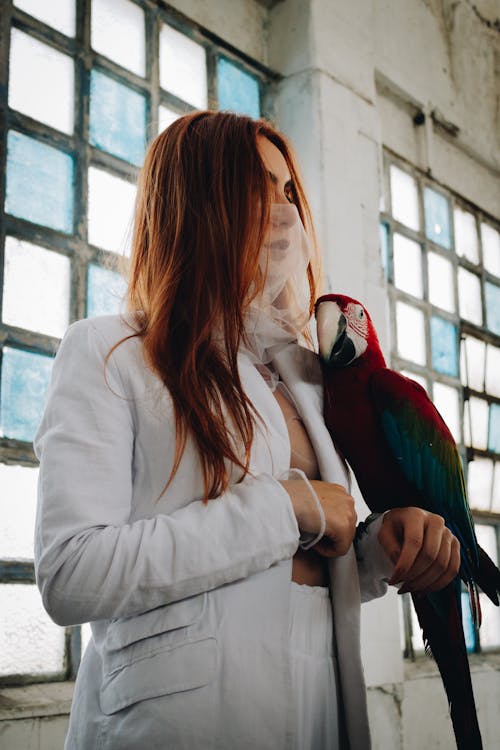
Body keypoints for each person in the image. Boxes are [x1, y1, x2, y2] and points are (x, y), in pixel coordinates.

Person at [33, 110, 460, 750]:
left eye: (289, 189)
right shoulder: (109, 350)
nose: (284, 209)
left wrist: (378, 552)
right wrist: (284, 507)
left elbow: (305, 568)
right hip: (177, 722)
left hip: (321, 709)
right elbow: (71, 575)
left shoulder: (307, 376)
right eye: (258, 186)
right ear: (200, 200)